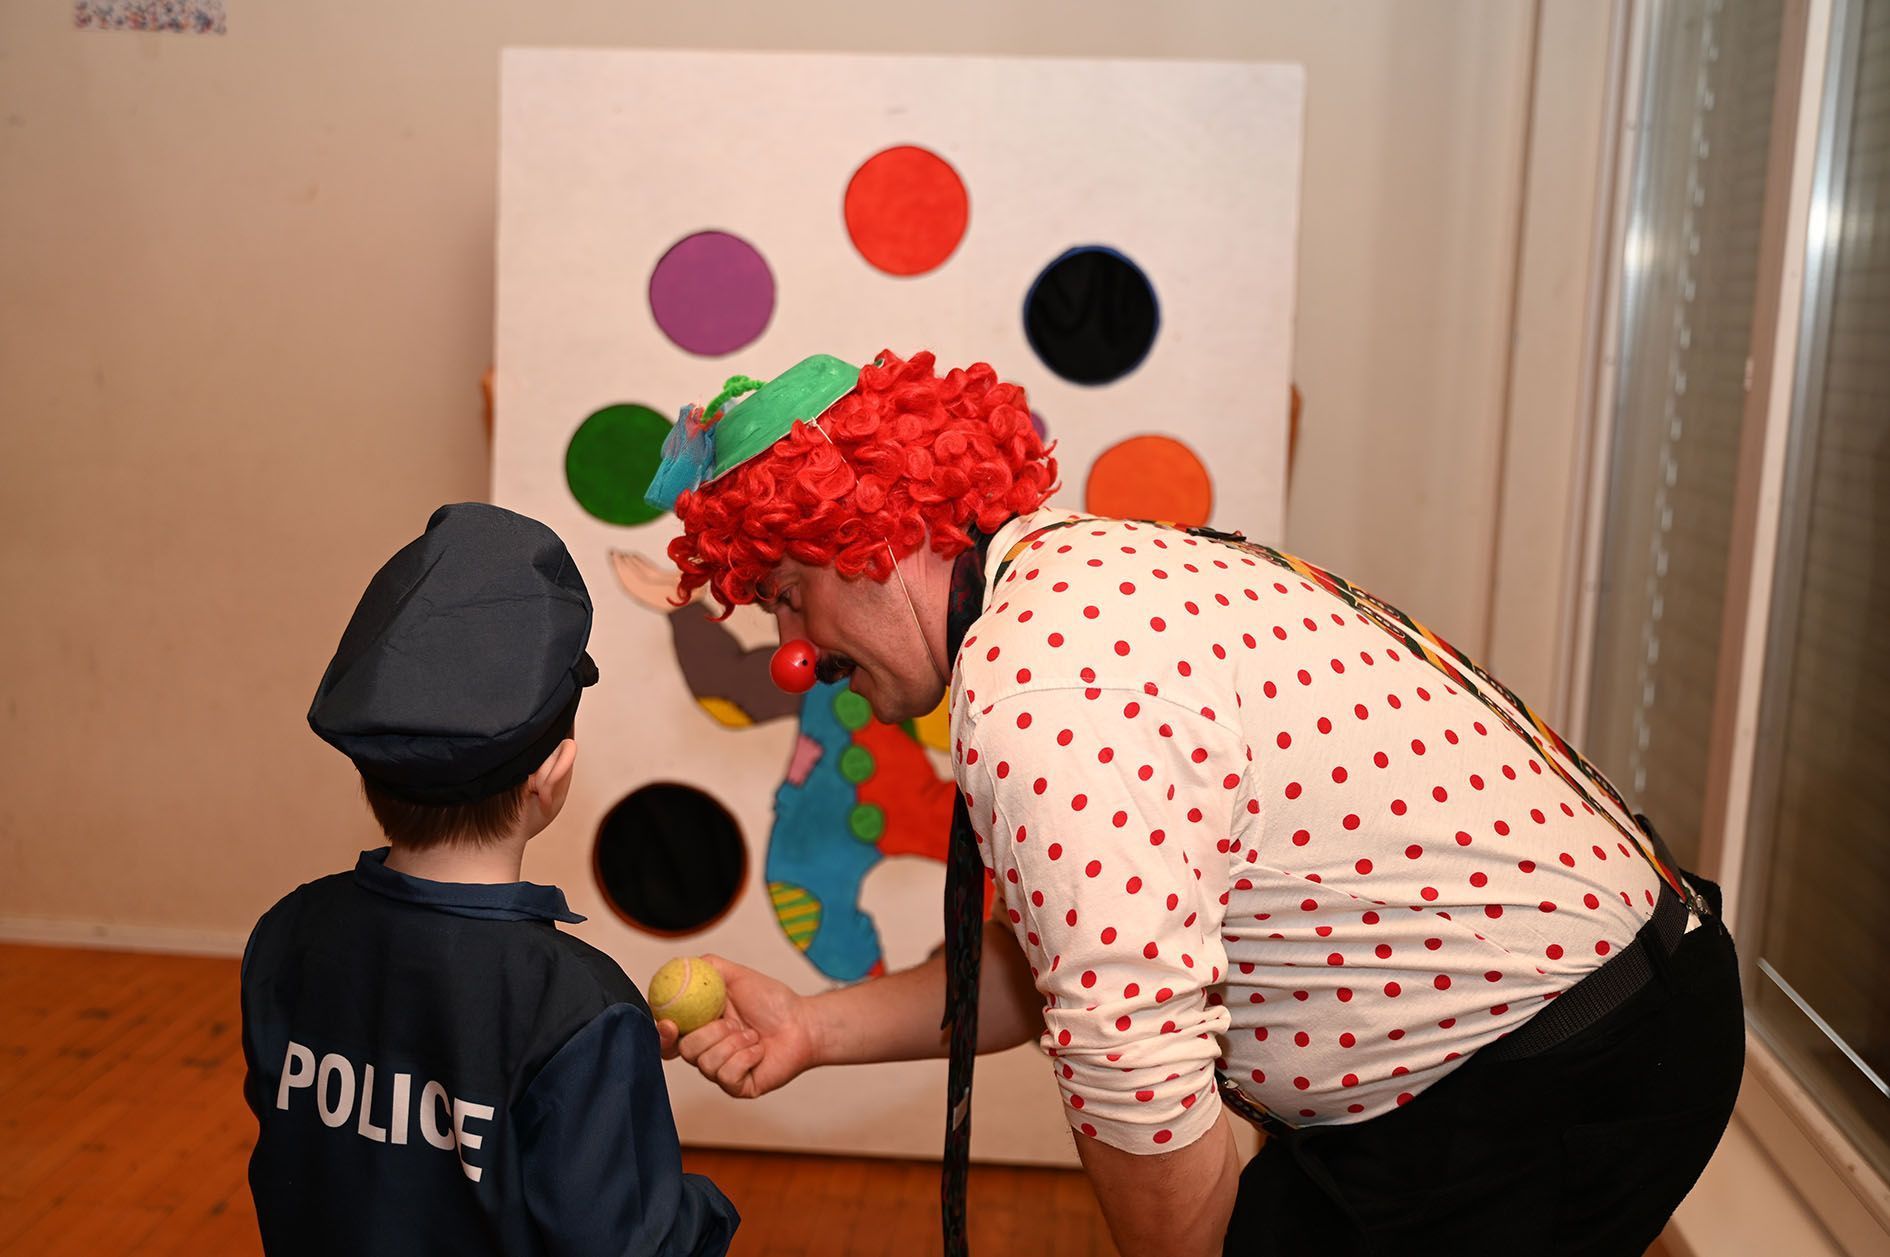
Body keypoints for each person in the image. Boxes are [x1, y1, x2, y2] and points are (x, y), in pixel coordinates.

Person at [646, 351, 1745, 1257]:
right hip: (1569, 1029)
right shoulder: (1068, 578)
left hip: (1560, 1069)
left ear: (873, 537)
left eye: (788, 599)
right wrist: (811, 1026)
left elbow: (1130, 1062)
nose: (794, 659)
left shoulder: (1043, 690)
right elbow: (1068, 964)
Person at [240, 502, 737, 1256]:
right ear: (554, 776)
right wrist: (703, 1204)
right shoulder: (576, 1004)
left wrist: (603, 1063)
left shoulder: (287, 932)